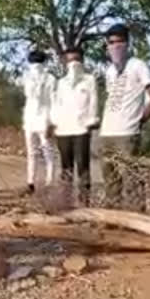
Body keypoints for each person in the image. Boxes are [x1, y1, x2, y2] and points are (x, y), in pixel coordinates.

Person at [99, 24, 150, 210]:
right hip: (107, 133)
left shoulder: (138, 65)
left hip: (127, 133)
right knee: (111, 183)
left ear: (127, 43)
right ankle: (113, 223)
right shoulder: (109, 71)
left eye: (120, 41)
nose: (115, 46)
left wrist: (140, 121)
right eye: (111, 42)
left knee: (132, 181)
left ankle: (139, 221)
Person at [51, 47, 99, 207]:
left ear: (83, 61)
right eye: (70, 60)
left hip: (81, 129)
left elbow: (93, 103)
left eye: (77, 60)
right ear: (65, 62)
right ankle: (66, 203)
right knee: (66, 168)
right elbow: (56, 105)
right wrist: (54, 124)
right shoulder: (61, 83)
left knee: (83, 167)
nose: (74, 64)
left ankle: (85, 203)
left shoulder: (89, 80)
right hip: (63, 129)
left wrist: (91, 121)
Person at [21, 50, 58, 195]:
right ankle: (31, 182)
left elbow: (53, 102)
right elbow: (29, 94)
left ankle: (48, 183)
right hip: (32, 118)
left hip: (43, 118)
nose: (35, 66)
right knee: (36, 152)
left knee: (45, 152)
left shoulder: (50, 79)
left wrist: (52, 122)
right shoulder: (28, 77)